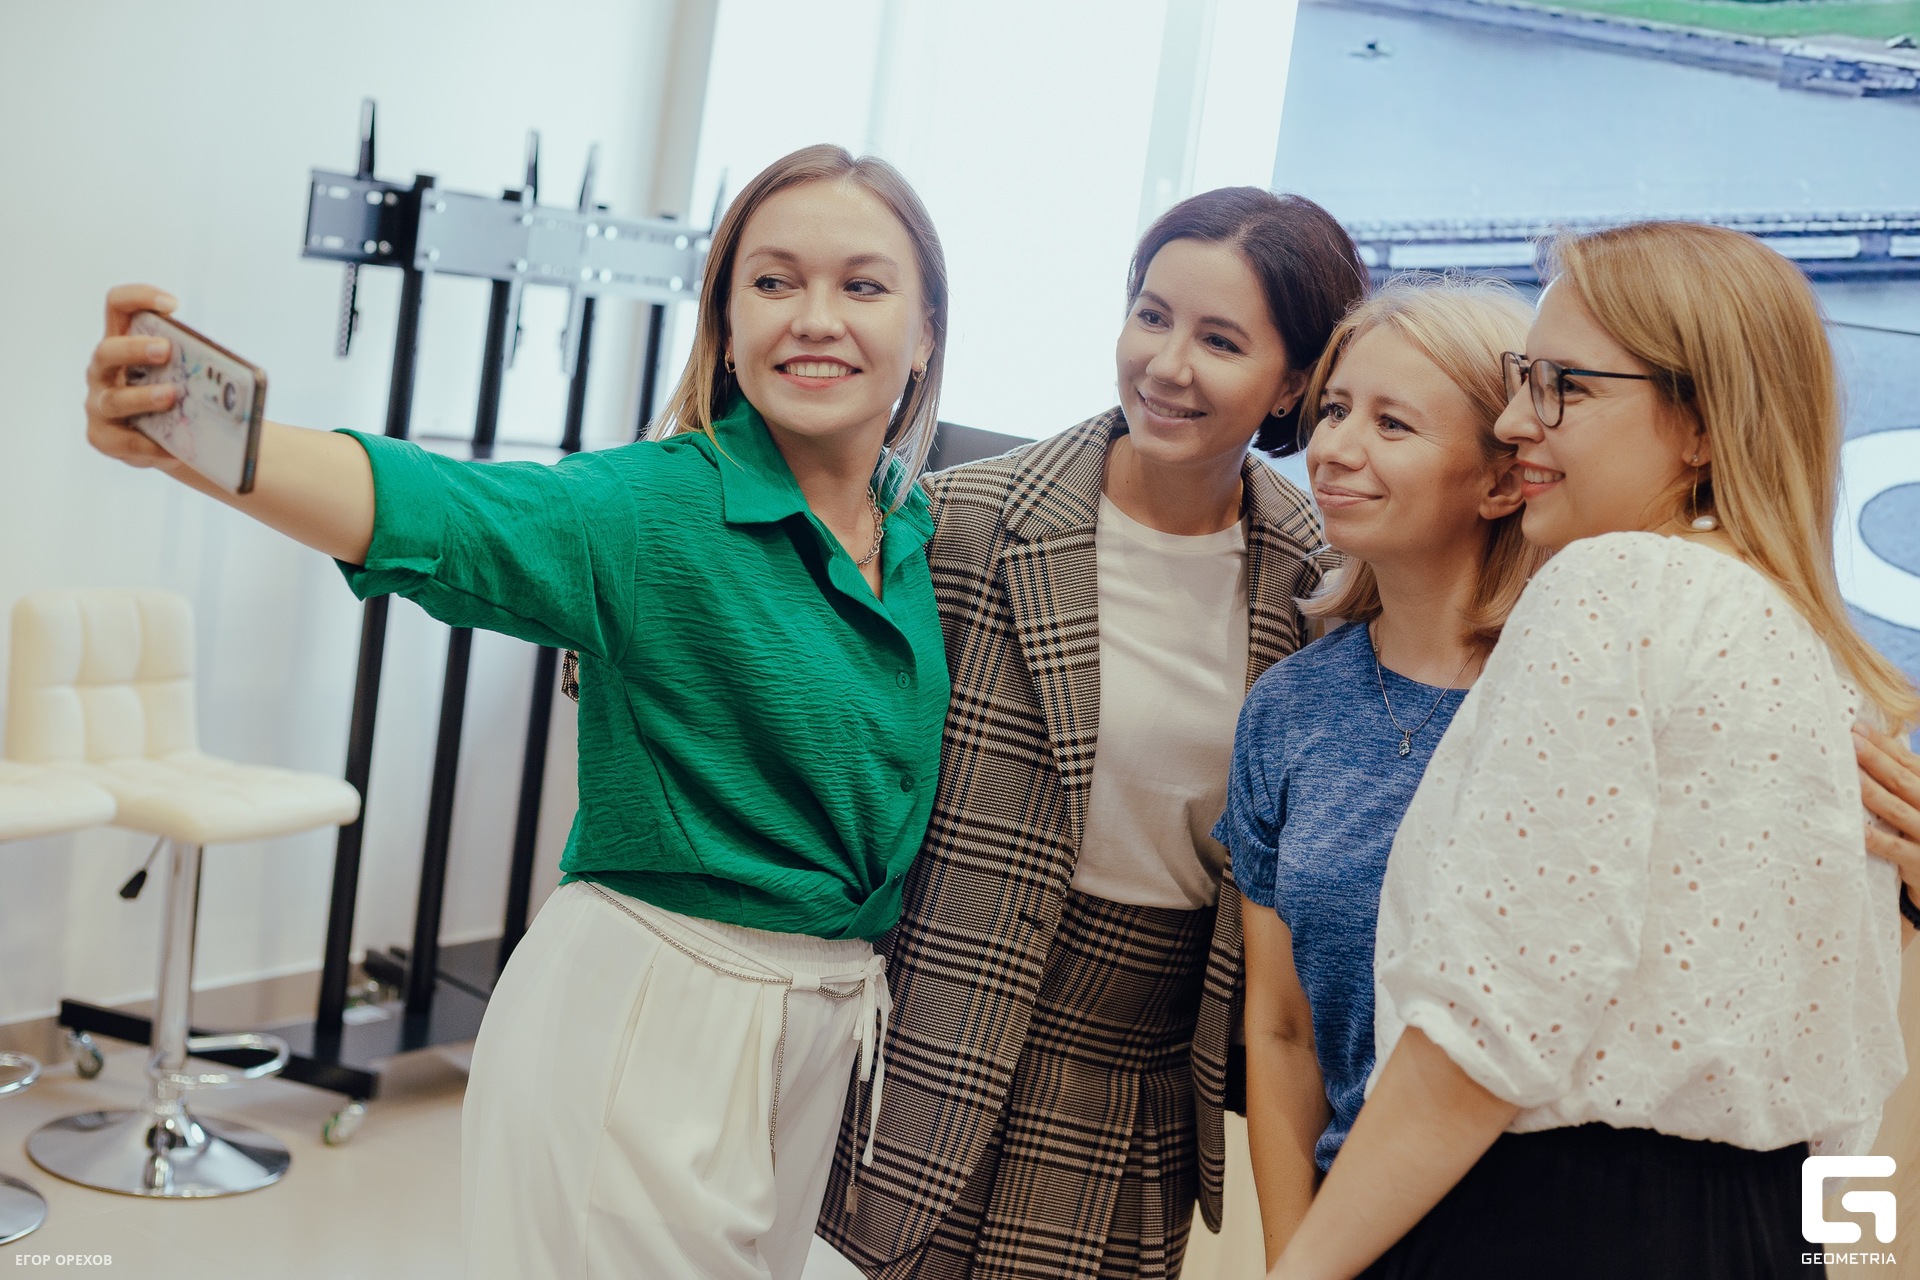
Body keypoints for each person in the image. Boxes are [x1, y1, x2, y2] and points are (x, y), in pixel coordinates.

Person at [83, 144, 950, 1280]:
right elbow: (443, 508)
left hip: (818, 1039)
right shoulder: (657, 507)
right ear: (728, 324)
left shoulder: (919, 535)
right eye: (774, 281)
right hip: (648, 1022)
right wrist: (187, 432)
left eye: (863, 285)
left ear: (925, 332)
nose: (815, 317)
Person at [1267, 221, 1920, 1280]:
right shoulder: (1821, 660)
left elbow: (1493, 1023)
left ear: (1699, 424)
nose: (1515, 420)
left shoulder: (1614, 584)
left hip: (1548, 1220)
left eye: (1563, 386)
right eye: (1524, 378)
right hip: (1763, 1234)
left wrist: (1302, 1271)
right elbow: (1848, 1087)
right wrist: (1840, 1261)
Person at [817, 187, 1369, 1280]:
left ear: (1295, 382)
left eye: (1221, 340)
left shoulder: (1328, 585)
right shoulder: (960, 522)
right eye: (1151, 315)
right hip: (913, 1048)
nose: (1167, 364)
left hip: (1135, 1080)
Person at [1214, 278, 1542, 1267]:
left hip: (1552, 1218)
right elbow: (1281, 1030)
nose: (1336, 447)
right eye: (1336, 409)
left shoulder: (1565, 698)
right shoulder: (1291, 705)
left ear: (1501, 482)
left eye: (1393, 424)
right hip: (1357, 1230)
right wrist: (1294, 1253)